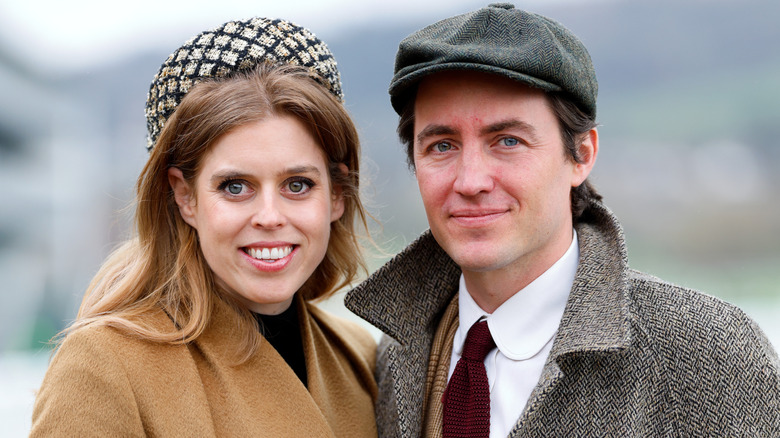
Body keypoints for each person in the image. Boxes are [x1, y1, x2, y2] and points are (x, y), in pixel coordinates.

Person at [345, 3, 780, 437]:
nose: (471, 180)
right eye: (442, 145)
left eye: (508, 140)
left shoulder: (709, 355)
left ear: (581, 155)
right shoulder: (397, 354)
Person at [31, 17, 377, 437]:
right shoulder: (104, 367)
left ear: (337, 195)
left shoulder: (361, 359)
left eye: (298, 185)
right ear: (185, 196)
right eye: (235, 187)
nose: (270, 216)